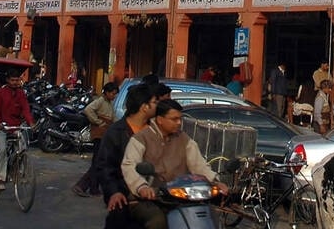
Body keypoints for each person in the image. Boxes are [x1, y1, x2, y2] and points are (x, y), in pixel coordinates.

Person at [122, 99, 228, 229]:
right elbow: (129, 166)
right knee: (157, 222)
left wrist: (214, 180)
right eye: (174, 119)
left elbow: (198, 164)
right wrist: (142, 187)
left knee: (210, 216)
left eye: (180, 119)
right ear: (160, 119)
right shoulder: (140, 139)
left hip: (181, 197)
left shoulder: (183, 138)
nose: (179, 123)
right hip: (149, 199)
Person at [76, 81, 157, 204]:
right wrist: (114, 191)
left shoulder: (154, 130)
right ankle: (89, 187)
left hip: (151, 196)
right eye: (155, 102)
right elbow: (106, 167)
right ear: (144, 106)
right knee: (97, 162)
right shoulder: (116, 132)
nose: (114, 96)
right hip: (125, 198)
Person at [0, 70, 35, 186]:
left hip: (15, 126)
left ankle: (20, 172)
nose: (15, 82)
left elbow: (25, 109)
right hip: (2, 127)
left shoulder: (21, 94)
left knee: (22, 147)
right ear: (8, 80)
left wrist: (30, 122)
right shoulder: (0, 92)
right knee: (2, 149)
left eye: (17, 80)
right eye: (13, 80)